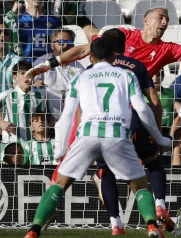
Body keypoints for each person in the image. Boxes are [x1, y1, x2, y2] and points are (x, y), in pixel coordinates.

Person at [23, 38, 171, 238]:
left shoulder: (80, 78)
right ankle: (152, 226)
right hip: (117, 135)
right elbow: (143, 108)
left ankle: (34, 230)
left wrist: (60, 149)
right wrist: (159, 138)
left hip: (87, 135)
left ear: (90, 57)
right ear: (113, 56)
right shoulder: (126, 75)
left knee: (60, 184)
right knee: (139, 186)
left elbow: (67, 115)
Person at [26, 6, 181, 79]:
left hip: (130, 105)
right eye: (160, 17)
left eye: (167, 18)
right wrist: (49, 65)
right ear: (145, 20)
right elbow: (83, 49)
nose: (164, 21)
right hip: (98, 95)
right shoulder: (123, 35)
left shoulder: (166, 49)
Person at [86, 28, 171, 233]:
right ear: (125, 46)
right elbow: (154, 103)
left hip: (102, 126)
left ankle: (115, 223)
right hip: (132, 122)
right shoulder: (136, 66)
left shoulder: (91, 69)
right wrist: (157, 134)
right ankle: (160, 205)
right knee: (153, 162)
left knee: (106, 172)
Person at [33, 28, 85, 122]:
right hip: (45, 122)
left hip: (71, 120)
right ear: (52, 45)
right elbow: (26, 83)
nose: (66, 45)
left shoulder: (79, 68)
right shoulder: (41, 62)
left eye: (69, 42)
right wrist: (34, 84)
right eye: (61, 42)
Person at [0, 61, 47, 143]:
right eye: (22, 73)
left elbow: (51, 117)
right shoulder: (6, 95)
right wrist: (1, 122)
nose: (27, 76)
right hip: (11, 144)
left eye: (30, 73)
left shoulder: (42, 95)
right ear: (15, 77)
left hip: (35, 145)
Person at [149, 69, 175, 134]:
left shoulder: (171, 93)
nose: (155, 78)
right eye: (152, 75)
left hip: (168, 130)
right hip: (151, 130)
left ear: (162, 77)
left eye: (158, 75)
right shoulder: (143, 95)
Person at [0, 18, 21, 93]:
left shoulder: (17, 60)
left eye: (6, 32)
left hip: (10, 103)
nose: (2, 35)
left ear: (9, 38)